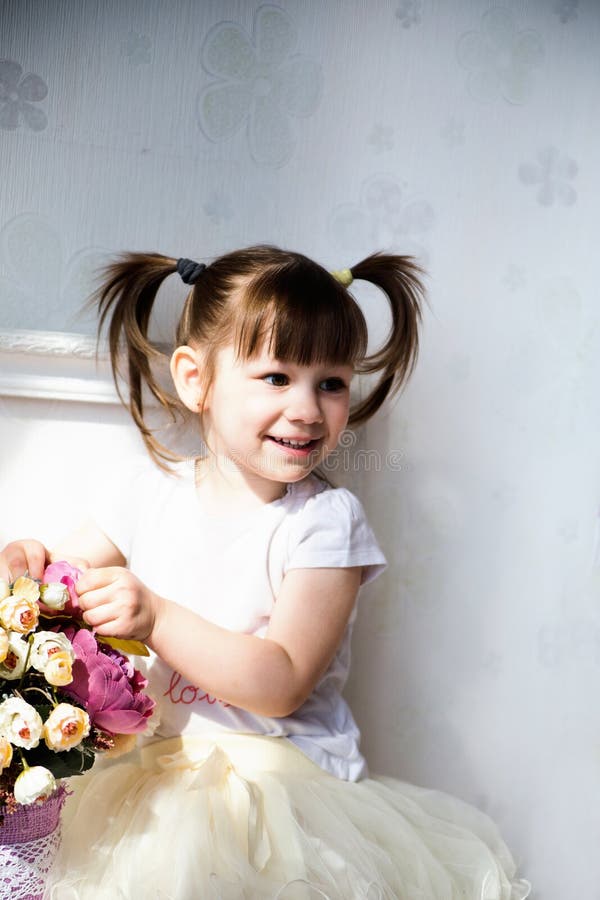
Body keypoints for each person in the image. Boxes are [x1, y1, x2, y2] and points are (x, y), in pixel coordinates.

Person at [0, 246, 530, 899]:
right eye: (277, 377)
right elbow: (56, 586)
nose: (308, 408)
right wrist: (26, 564)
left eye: (331, 383)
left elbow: (280, 680)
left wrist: (157, 617)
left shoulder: (325, 525)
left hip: (281, 790)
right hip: (155, 781)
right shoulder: (146, 493)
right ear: (197, 379)